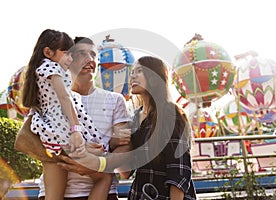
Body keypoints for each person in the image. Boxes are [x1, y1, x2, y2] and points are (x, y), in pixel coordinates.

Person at [59, 56, 197, 200]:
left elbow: (179, 173)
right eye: (132, 72)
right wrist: (114, 143)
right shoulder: (135, 118)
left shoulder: (170, 114)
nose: (132, 76)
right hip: (140, 194)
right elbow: (125, 172)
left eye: (139, 71)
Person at [21, 29, 112, 200]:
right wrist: (76, 130)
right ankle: (83, 147)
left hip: (59, 130)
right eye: (69, 54)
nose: (70, 59)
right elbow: (64, 98)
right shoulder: (51, 69)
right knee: (103, 176)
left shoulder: (47, 74)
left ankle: (84, 147)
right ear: (48, 52)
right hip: (60, 127)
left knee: (101, 175)